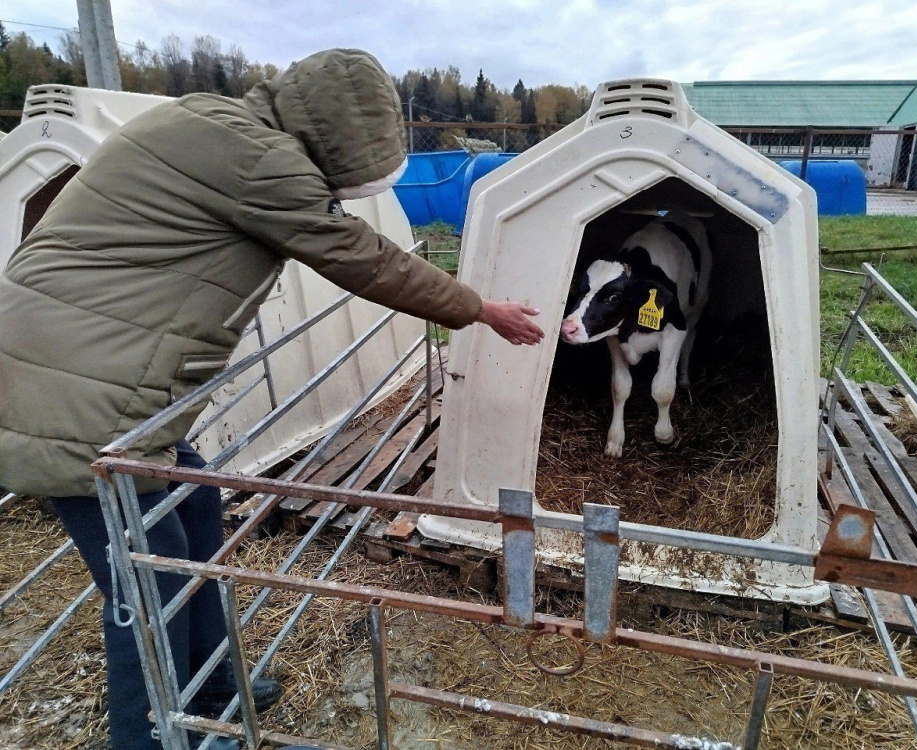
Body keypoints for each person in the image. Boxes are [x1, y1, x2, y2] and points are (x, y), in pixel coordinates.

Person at [0, 48, 543, 749]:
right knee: (148, 579)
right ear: (338, 142)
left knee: (193, 510)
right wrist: (479, 308)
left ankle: (215, 685)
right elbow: (359, 257)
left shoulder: (217, 123)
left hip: (97, 377)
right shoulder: (260, 161)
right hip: (74, 398)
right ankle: (160, 732)